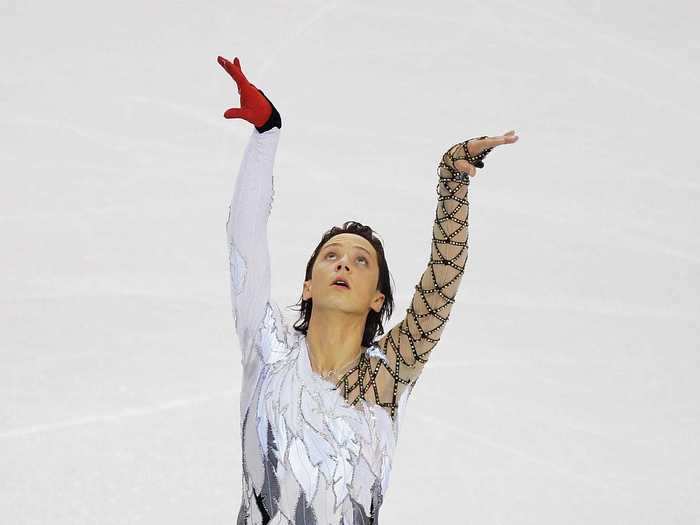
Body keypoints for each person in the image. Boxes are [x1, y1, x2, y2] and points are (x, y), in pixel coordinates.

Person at [217, 55, 518, 525]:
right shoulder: (269, 345)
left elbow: (443, 279)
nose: (344, 264)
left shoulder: (386, 375)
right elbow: (244, 240)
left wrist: (453, 183)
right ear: (309, 283)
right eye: (331, 255)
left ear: (377, 298)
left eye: (362, 262)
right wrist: (265, 134)